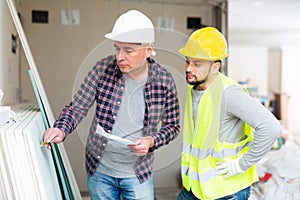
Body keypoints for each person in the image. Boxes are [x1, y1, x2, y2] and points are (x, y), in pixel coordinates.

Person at [42, 10, 180, 200]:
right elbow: (78, 107)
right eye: (117, 48)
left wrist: (152, 141)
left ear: (148, 50)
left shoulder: (164, 80)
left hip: (138, 174)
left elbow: (172, 126)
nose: (119, 57)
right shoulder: (102, 69)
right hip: (100, 170)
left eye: (128, 51)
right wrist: (61, 128)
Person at [177, 27, 281, 200]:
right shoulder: (193, 87)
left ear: (215, 66)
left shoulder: (228, 93)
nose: (189, 68)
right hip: (195, 188)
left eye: (197, 64)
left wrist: (241, 164)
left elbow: (271, 128)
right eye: (187, 61)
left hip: (225, 190)